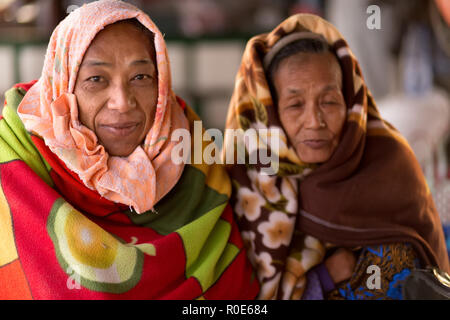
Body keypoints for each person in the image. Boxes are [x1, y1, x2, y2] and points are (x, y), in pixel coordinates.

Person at [0, 0, 259, 299]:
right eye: (96, 79)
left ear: (161, 84)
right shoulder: (15, 162)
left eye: (140, 77)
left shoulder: (192, 151)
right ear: (62, 86)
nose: (122, 102)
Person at [223, 13, 450, 300]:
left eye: (329, 101)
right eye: (294, 105)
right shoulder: (247, 183)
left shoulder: (388, 162)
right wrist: (323, 277)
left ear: (352, 101)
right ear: (267, 114)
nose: (315, 120)